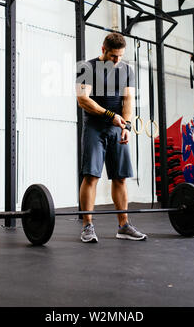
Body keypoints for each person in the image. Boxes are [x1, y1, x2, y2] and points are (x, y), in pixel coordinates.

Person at [76, 32, 147, 243]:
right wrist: (110, 115)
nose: (117, 60)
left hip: (118, 128)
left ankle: (123, 226)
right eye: (114, 56)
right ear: (103, 50)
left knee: (120, 177)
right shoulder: (86, 68)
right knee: (91, 176)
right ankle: (87, 226)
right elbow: (83, 100)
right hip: (95, 127)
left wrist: (126, 126)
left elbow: (128, 101)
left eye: (120, 56)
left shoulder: (127, 70)